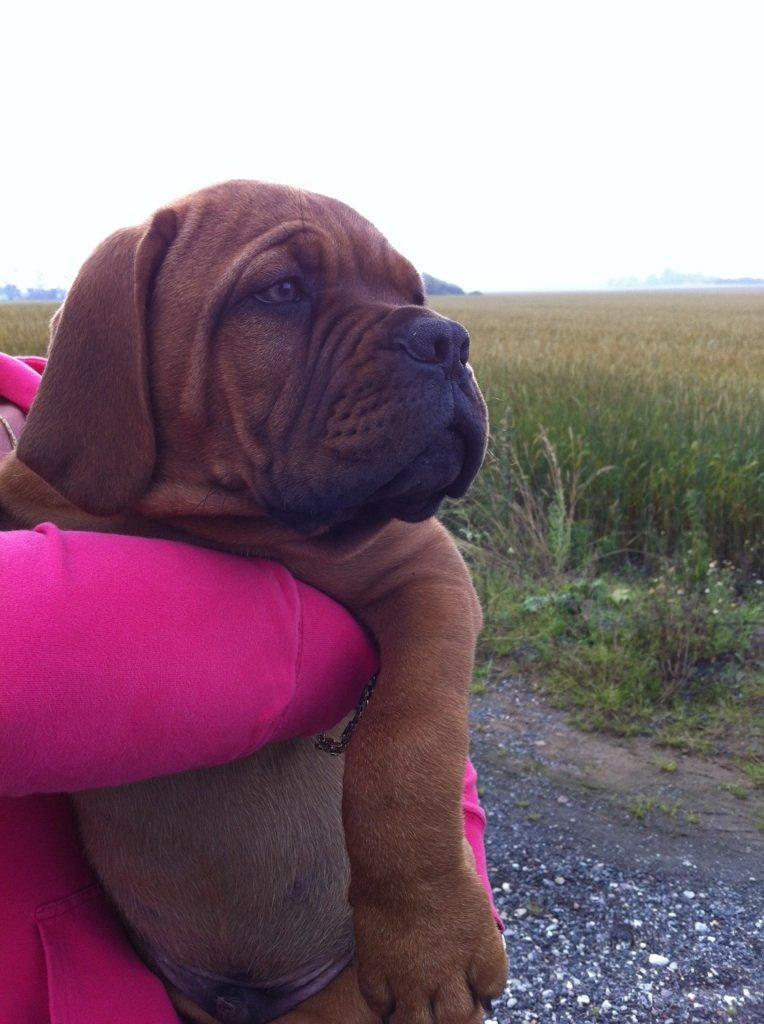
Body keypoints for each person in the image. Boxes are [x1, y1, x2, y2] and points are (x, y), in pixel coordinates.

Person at [0, 354, 499, 1024]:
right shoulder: (54, 463)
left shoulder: (140, 411)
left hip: (348, 962)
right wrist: (331, 644)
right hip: (137, 978)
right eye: (283, 293)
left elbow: (426, 606)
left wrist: (433, 869)